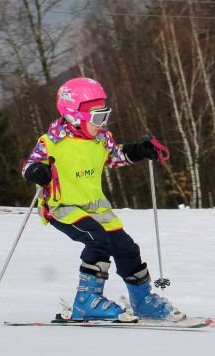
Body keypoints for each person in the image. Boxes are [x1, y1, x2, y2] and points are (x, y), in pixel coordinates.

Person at [21, 77, 184, 322]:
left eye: (105, 115)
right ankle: (86, 302)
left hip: (95, 206)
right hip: (62, 207)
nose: (103, 123)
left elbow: (114, 156)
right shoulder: (51, 142)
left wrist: (138, 151)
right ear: (74, 116)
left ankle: (142, 301)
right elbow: (29, 166)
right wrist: (35, 171)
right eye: (98, 117)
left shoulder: (101, 139)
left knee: (126, 247)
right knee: (97, 240)